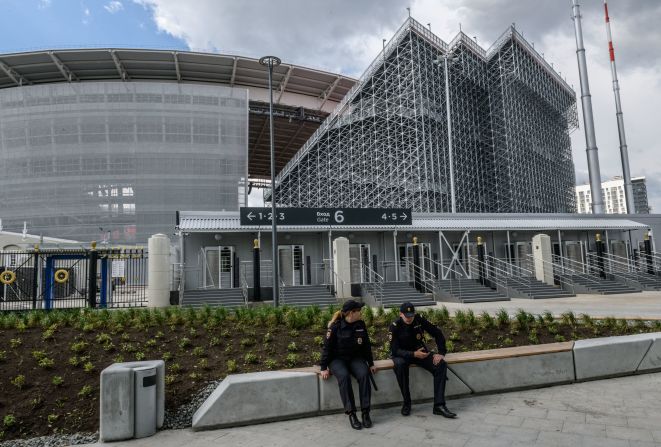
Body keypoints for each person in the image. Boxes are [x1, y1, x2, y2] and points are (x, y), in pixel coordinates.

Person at [389, 302, 457, 418]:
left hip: (420, 353)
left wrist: (441, 353)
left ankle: (439, 406)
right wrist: (413, 354)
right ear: (401, 314)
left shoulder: (419, 319)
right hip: (403, 355)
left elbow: (438, 333)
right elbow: (395, 350)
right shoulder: (395, 326)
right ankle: (407, 403)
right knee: (400, 366)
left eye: (412, 315)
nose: (410, 318)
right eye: (407, 316)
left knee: (440, 364)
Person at [320, 300, 377, 430]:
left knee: (364, 374)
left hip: (355, 358)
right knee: (344, 377)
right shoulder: (335, 327)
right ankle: (352, 414)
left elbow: (366, 346)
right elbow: (327, 348)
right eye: (359, 311)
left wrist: (371, 363)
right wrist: (323, 367)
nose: (361, 313)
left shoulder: (360, 324)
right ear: (352, 313)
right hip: (337, 359)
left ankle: (365, 413)